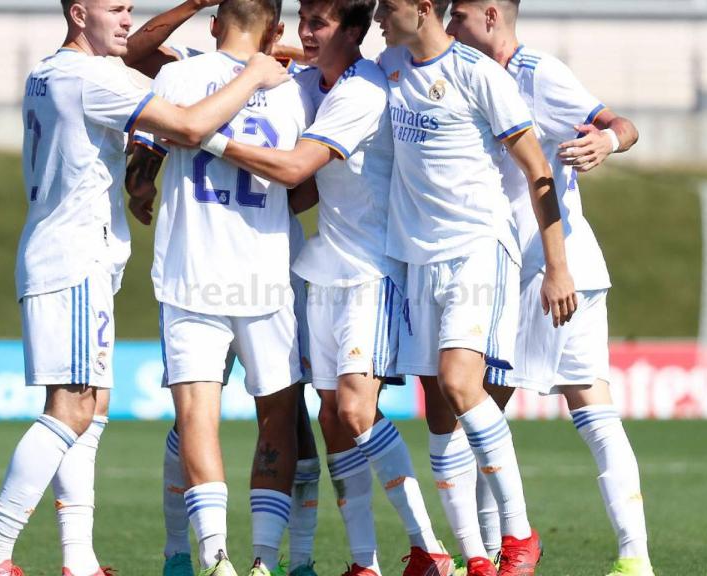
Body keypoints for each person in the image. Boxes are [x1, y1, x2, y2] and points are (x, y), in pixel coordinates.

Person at [0, 1, 291, 575]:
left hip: (68, 254)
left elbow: (136, 56)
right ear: (79, 12)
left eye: (131, 8)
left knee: (92, 408)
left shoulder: (50, 69)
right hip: (73, 256)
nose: (127, 19)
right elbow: (188, 126)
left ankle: (79, 560)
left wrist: (189, 10)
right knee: (70, 409)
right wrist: (256, 72)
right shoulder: (91, 78)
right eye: (115, 8)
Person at [212, 0, 453, 574]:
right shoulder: (320, 82)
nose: (305, 32)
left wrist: (212, 141)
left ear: (353, 30)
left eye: (319, 23)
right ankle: (364, 562)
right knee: (330, 420)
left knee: (354, 410)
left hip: (371, 270)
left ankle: (430, 548)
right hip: (325, 269)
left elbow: (298, 170)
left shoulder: (361, 91)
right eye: (302, 20)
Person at [445, 2, 652, 575]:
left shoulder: (537, 72)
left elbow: (621, 125)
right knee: (490, 413)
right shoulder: (461, 72)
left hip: (558, 270)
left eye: (457, 15)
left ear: (491, 16)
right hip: (512, 270)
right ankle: (490, 557)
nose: (448, 26)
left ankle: (632, 559)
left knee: (583, 408)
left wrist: (606, 144)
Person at [373, 0, 577, 574]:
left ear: (422, 7)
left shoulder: (478, 74)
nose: (378, 20)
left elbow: (538, 170)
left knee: (463, 384)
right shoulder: (389, 64)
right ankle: (476, 560)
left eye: (387, 8)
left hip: (477, 249)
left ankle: (519, 536)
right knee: (438, 413)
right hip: (418, 258)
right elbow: (325, 63)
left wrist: (558, 267)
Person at [122, 6, 322, 576]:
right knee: (278, 422)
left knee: (195, 420)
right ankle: (264, 559)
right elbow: (304, 194)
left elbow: (134, 69)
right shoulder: (297, 91)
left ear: (215, 24)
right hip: (268, 277)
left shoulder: (180, 77)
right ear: (277, 30)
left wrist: (143, 180)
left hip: (191, 271)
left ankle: (210, 558)